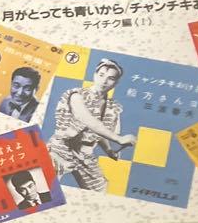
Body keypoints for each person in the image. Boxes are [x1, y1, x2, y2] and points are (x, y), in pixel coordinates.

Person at [46, 58, 136, 192]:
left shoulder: (112, 107)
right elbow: (88, 120)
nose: (104, 81)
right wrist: (119, 139)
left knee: (100, 190)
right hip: (60, 148)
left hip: (85, 154)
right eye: (101, 75)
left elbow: (100, 132)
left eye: (110, 78)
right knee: (46, 188)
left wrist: (108, 150)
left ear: (116, 82)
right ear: (95, 75)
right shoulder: (77, 95)